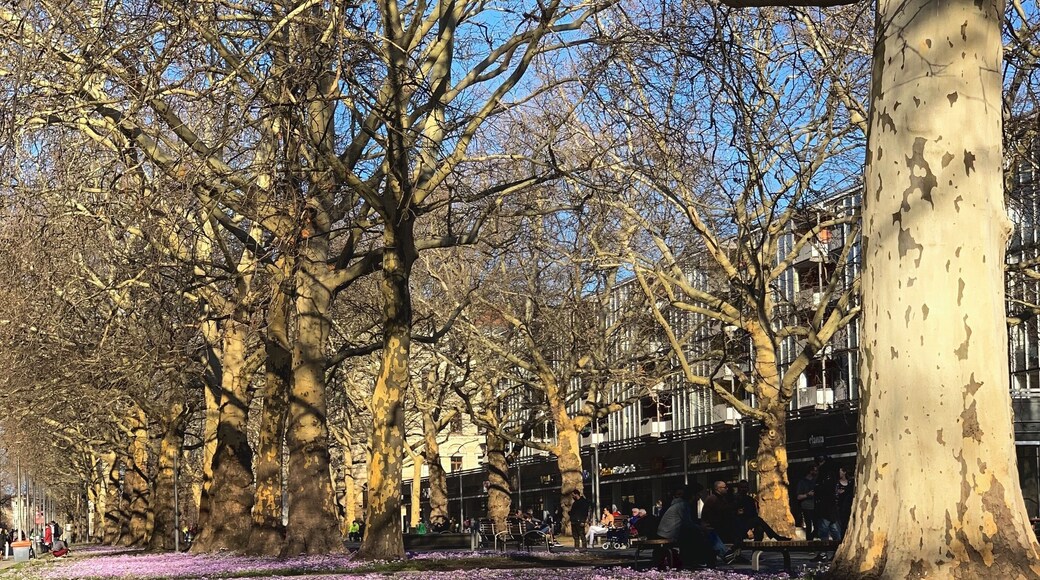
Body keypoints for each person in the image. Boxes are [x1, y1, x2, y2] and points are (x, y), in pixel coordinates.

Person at [795, 465, 818, 540]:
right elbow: (798, 497)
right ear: (810, 471)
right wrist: (807, 494)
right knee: (809, 526)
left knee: (817, 526)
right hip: (806, 506)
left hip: (816, 505)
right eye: (814, 470)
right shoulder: (802, 482)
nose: (816, 472)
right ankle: (809, 542)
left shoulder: (816, 481)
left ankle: (812, 538)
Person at [834, 465, 854, 538]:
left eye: (840, 472)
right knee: (842, 524)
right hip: (840, 506)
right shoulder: (836, 483)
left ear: (844, 472)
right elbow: (835, 494)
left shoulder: (850, 482)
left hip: (849, 506)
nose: (839, 473)